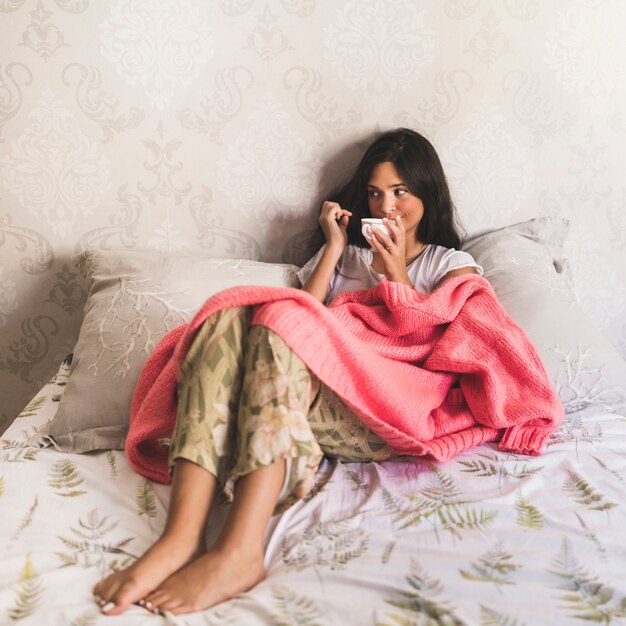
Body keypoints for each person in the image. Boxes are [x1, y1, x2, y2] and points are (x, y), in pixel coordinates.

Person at [92, 128, 482, 616]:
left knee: (275, 324)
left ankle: (238, 550)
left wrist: (395, 277)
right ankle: (179, 538)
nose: (387, 205)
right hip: (310, 391)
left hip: (382, 409)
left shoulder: (450, 264)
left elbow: (439, 347)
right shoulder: (346, 255)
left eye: (401, 191)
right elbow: (301, 313)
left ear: (428, 191)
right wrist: (336, 245)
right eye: (375, 192)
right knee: (228, 315)